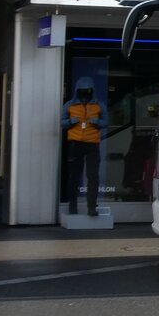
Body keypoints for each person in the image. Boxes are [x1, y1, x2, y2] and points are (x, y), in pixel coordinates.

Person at [62, 76, 107, 216]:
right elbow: (62, 122)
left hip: (92, 144)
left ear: (91, 90)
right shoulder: (69, 105)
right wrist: (70, 122)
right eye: (82, 90)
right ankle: (72, 206)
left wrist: (97, 122)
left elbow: (106, 121)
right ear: (77, 90)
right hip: (75, 143)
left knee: (93, 176)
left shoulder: (99, 105)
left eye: (87, 90)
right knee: (74, 176)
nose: (85, 93)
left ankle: (92, 207)